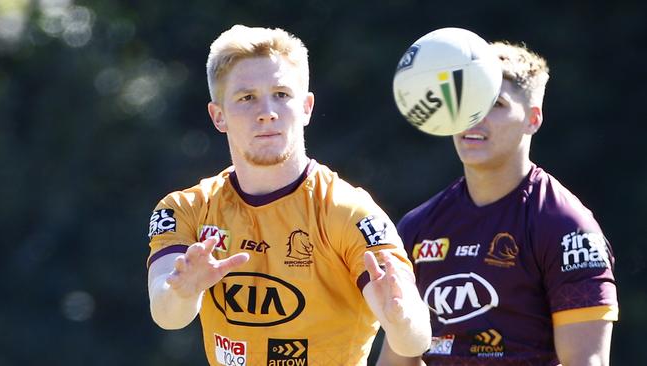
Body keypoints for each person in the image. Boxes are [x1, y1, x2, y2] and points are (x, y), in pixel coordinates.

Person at [146, 24, 432, 366]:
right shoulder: (186, 208)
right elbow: (167, 315)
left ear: (307, 107)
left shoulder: (348, 212)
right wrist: (183, 291)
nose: (267, 111)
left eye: (281, 94)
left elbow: (416, 336)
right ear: (218, 115)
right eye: (246, 97)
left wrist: (400, 320)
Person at [378, 41, 618, 365]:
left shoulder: (567, 227)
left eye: (495, 104)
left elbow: (586, 361)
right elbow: (399, 360)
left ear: (533, 119)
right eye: (466, 101)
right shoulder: (417, 227)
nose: (473, 117)